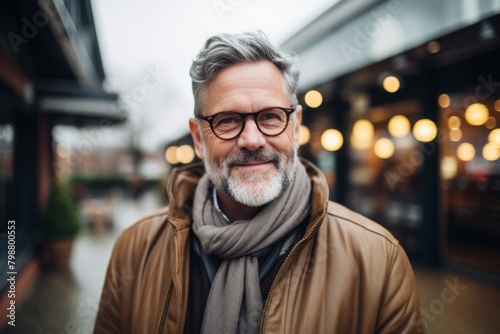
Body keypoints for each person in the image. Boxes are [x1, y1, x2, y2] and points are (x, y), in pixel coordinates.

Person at [94, 31, 425, 334]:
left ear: (295, 127)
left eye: (269, 116)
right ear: (198, 138)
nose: (251, 140)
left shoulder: (378, 260)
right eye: (227, 120)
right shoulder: (135, 251)